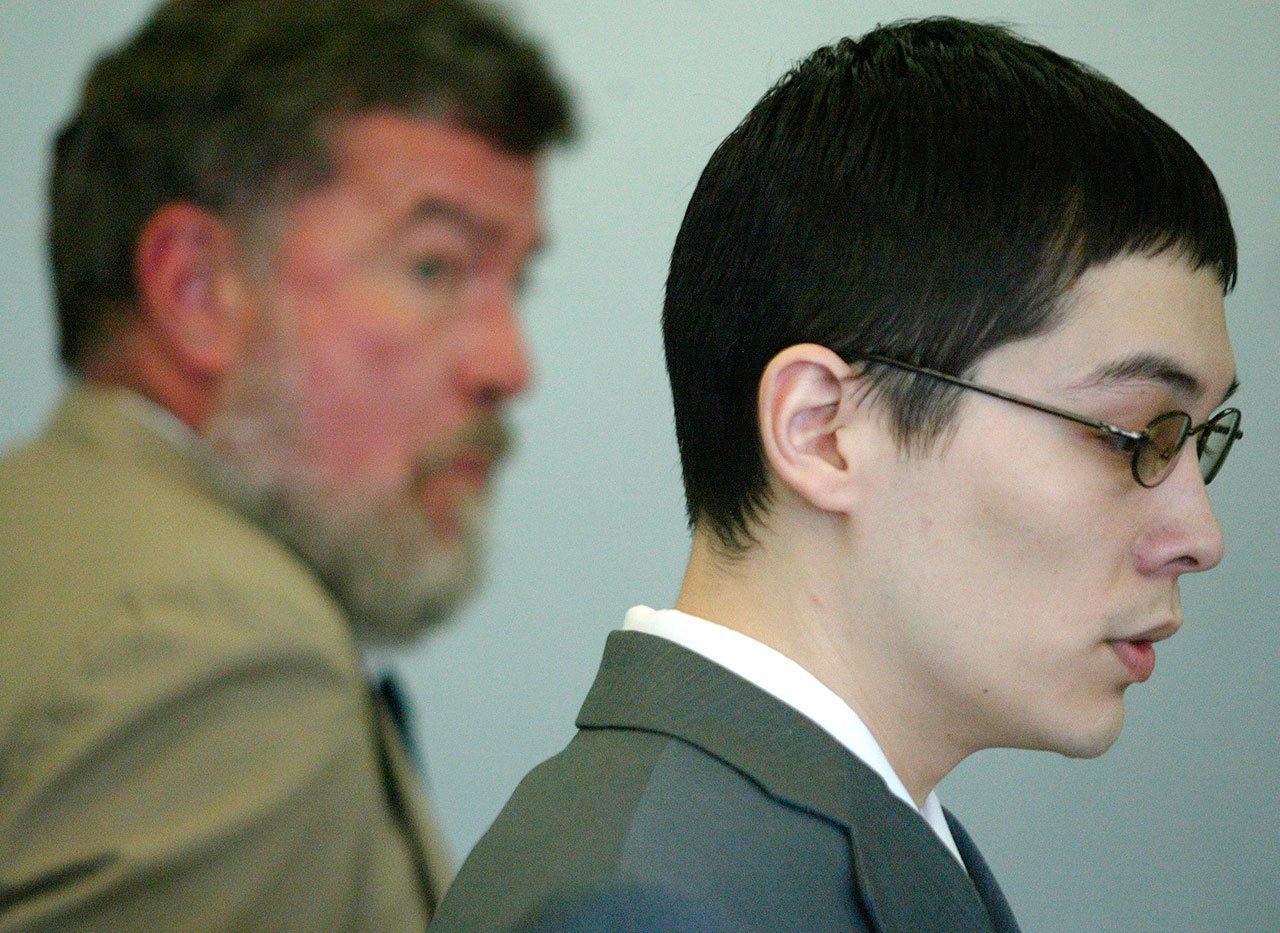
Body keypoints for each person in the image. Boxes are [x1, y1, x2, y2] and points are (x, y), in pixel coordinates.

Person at [430, 17, 1242, 932]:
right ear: (822, 429)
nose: (1199, 538)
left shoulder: (809, 840)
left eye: (1199, 442)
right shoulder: (652, 904)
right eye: (1134, 434)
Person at [0, 0, 573, 928]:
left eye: (518, 281)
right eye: (436, 267)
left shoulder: (38, 528)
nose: (509, 365)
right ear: (196, 291)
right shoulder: (216, 643)